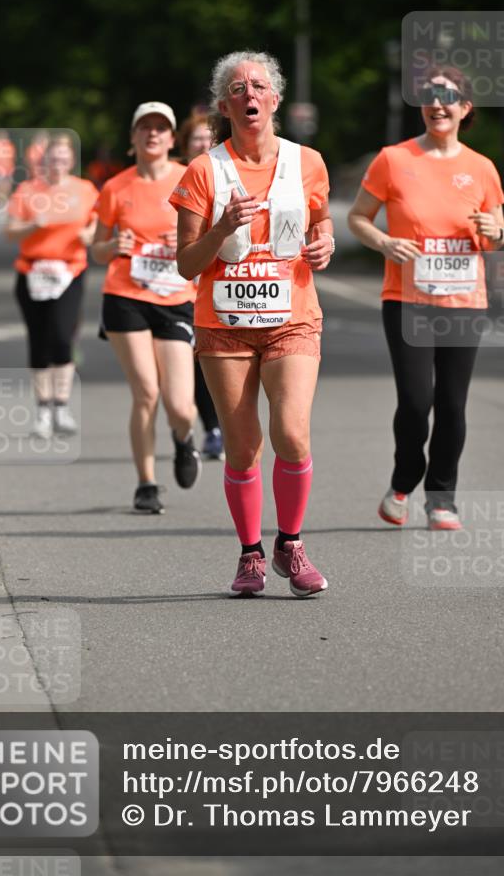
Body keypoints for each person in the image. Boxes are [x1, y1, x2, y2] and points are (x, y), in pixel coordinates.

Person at [172, 51, 335, 598]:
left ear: (275, 99)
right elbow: (187, 264)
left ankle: (291, 542)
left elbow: (322, 222)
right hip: (225, 325)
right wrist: (220, 229)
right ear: (225, 106)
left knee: (291, 433)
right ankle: (250, 555)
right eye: (237, 88)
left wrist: (325, 243)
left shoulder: (307, 161)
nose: (249, 95)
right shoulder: (203, 170)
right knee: (242, 449)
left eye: (258, 86)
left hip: (292, 318)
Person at [347, 66, 504, 530]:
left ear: (465, 107)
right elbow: (358, 217)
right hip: (407, 299)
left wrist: (494, 232)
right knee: (417, 402)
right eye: (430, 95)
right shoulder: (393, 160)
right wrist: (384, 243)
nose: (438, 104)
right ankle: (402, 481)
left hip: (464, 302)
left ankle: (442, 498)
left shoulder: (481, 168)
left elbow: (497, 232)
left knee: (453, 404)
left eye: (448, 96)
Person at [91, 102, 201, 515]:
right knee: (146, 392)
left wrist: (187, 244)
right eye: (145, 128)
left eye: (161, 128)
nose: (152, 134)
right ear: (133, 138)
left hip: (175, 298)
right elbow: (97, 249)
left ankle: (183, 437)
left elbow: (211, 236)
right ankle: (146, 483)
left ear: (173, 139)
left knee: (179, 405)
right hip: (126, 295)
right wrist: (110, 246)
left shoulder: (189, 180)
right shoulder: (115, 188)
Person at [6, 135, 98, 438]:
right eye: (52, 157)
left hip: (69, 272)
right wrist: (34, 225)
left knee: (62, 336)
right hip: (32, 271)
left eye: (63, 157)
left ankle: (61, 405)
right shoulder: (28, 190)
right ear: (43, 160)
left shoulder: (83, 190)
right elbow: (10, 232)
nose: (57, 162)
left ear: (71, 161)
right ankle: (43, 409)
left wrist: (90, 234)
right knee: (39, 340)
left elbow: (98, 221)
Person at [176, 111, 224, 461]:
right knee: (187, 361)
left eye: (209, 138)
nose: (203, 144)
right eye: (197, 139)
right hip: (173, 283)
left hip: (213, 283)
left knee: (205, 358)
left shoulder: (226, 174)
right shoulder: (177, 178)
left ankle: (214, 428)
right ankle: (194, 427)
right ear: (185, 144)